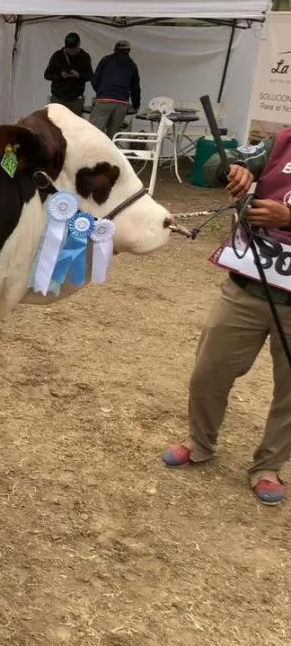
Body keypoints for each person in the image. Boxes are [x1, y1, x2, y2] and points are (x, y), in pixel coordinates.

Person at [162, 130, 291, 505]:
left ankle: (269, 466)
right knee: (209, 370)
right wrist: (234, 171)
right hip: (248, 285)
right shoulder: (280, 142)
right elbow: (215, 164)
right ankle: (199, 442)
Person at [88, 39, 141, 137]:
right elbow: (135, 88)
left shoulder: (105, 60)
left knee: (94, 134)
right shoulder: (132, 65)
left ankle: (93, 152)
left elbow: (94, 80)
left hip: (104, 100)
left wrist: (101, 93)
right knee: (113, 136)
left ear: (115, 49)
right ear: (129, 51)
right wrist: (136, 105)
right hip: (121, 104)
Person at [43, 32, 92, 117]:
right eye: (68, 48)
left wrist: (79, 75)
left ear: (79, 44)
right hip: (58, 97)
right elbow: (47, 75)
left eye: (73, 48)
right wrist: (60, 76)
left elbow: (90, 75)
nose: (70, 51)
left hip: (76, 99)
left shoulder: (85, 57)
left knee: (74, 126)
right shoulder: (57, 55)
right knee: (55, 125)